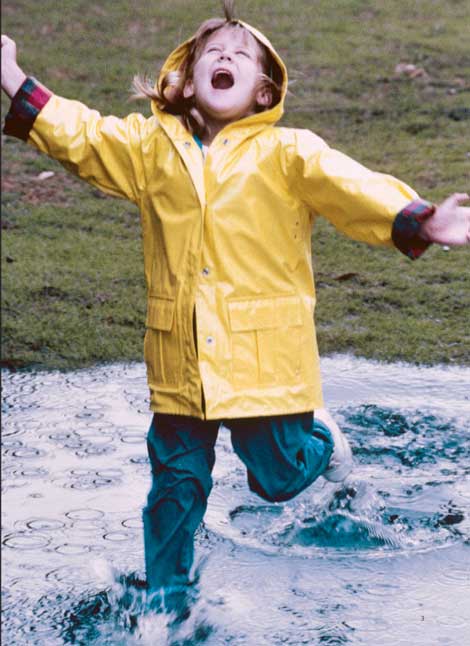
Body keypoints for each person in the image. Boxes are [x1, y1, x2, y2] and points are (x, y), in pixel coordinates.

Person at [2, 1, 469, 607]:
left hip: (263, 359)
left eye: (240, 55)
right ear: (186, 80)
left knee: (277, 477)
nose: (225, 57)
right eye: (211, 53)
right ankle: (166, 601)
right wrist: (13, 78)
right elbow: (84, 136)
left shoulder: (288, 152)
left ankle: (320, 440)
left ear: (262, 89)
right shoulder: (150, 149)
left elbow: (352, 186)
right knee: (175, 483)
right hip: (181, 358)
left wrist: (419, 220)